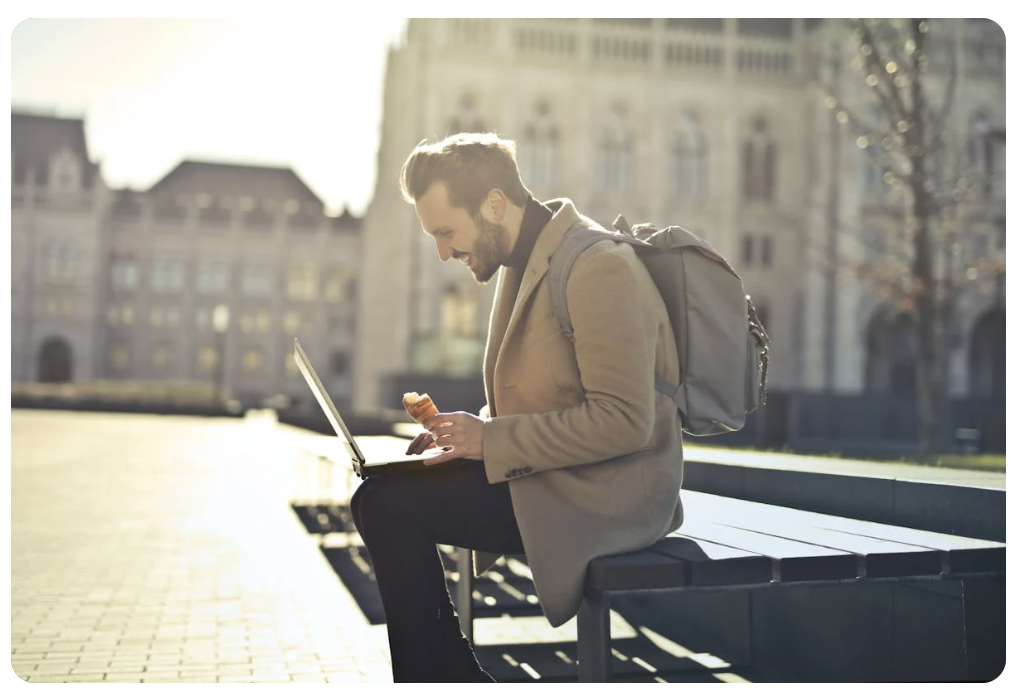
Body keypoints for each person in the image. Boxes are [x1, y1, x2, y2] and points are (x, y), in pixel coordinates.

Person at [350, 132, 684, 682]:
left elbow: (626, 421)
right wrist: (465, 432)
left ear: (495, 205)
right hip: (562, 477)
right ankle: (446, 675)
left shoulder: (599, 266)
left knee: (388, 505)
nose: (443, 251)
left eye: (446, 232)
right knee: (379, 497)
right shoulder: (526, 265)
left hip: (612, 496)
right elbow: (547, 395)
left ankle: (443, 677)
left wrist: (491, 442)